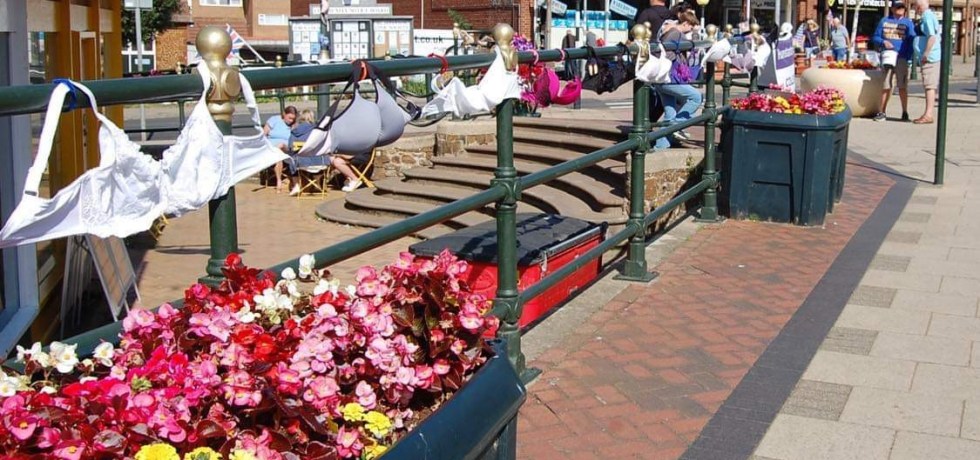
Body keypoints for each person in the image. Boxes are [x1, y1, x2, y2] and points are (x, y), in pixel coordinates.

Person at [653, 10, 703, 150]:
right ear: (686, 23)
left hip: (661, 79)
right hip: (669, 78)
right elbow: (667, 55)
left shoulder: (668, 31)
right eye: (691, 28)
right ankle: (677, 126)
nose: (691, 31)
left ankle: (659, 149)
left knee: (670, 115)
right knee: (696, 97)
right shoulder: (677, 33)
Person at [872, 1, 916, 122]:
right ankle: (882, 112)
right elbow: (875, 37)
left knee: (902, 86)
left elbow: (912, 39)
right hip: (888, 56)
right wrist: (883, 42)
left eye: (902, 7)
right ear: (892, 9)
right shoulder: (884, 21)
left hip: (901, 58)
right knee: (886, 84)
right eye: (898, 7)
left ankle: (905, 112)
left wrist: (908, 56)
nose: (900, 9)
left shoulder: (908, 23)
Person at [912, 0, 940, 124]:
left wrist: (926, 53)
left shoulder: (927, 17)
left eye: (915, 6)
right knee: (928, 85)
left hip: (930, 57)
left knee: (929, 86)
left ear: (919, 7)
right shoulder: (927, 16)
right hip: (928, 56)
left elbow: (932, 36)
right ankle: (927, 113)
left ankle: (928, 114)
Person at [283, 109, 318, 196]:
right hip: (319, 162)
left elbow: (291, 147)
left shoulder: (295, 131)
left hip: (300, 162)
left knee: (291, 158)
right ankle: (318, 183)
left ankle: (296, 185)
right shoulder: (318, 130)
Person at [263, 105, 298, 192]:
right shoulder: (274, 120)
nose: (291, 121)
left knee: (281, 146)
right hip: (272, 148)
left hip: (286, 149)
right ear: (284, 114)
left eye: (293, 119)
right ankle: (279, 181)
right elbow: (263, 134)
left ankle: (279, 182)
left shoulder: (294, 125)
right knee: (278, 155)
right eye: (289, 118)